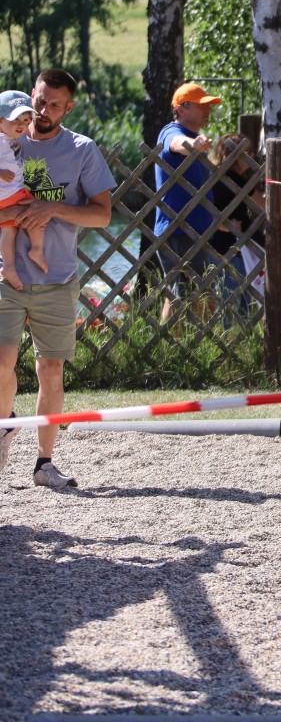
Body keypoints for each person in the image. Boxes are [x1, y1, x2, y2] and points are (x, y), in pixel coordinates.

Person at [0, 69, 116, 488]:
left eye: (53, 105)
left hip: (57, 276)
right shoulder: (6, 138)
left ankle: (44, 463)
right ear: (30, 95)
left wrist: (52, 209)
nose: (42, 111)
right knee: (1, 364)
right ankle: (7, 423)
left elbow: (103, 215)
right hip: (6, 275)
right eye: (39, 101)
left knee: (50, 371)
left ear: (69, 107)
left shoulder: (82, 149)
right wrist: (16, 214)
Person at [154, 82, 222, 321]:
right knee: (184, 295)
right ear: (181, 109)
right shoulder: (171, 131)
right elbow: (175, 143)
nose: (207, 110)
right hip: (178, 229)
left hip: (193, 229)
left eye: (208, 106)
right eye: (201, 105)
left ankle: (186, 341)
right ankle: (182, 341)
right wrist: (193, 145)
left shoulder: (192, 135)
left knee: (188, 294)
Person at [208, 133, 265, 314]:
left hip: (223, 247)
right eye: (247, 153)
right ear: (233, 154)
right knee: (235, 301)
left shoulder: (218, 177)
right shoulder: (233, 180)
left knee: (233, 299)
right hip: (231, 249)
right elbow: (264, 205)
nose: (252, 156)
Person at [0, 90, 49, 290]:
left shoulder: (10, 138)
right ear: (0, 121)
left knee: (9, 231)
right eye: (15, 120)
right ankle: (36, 250)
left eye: (26, 119)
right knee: (37, 214)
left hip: (10, 194)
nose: (21, 125)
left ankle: (8, 267)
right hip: (11, 194)